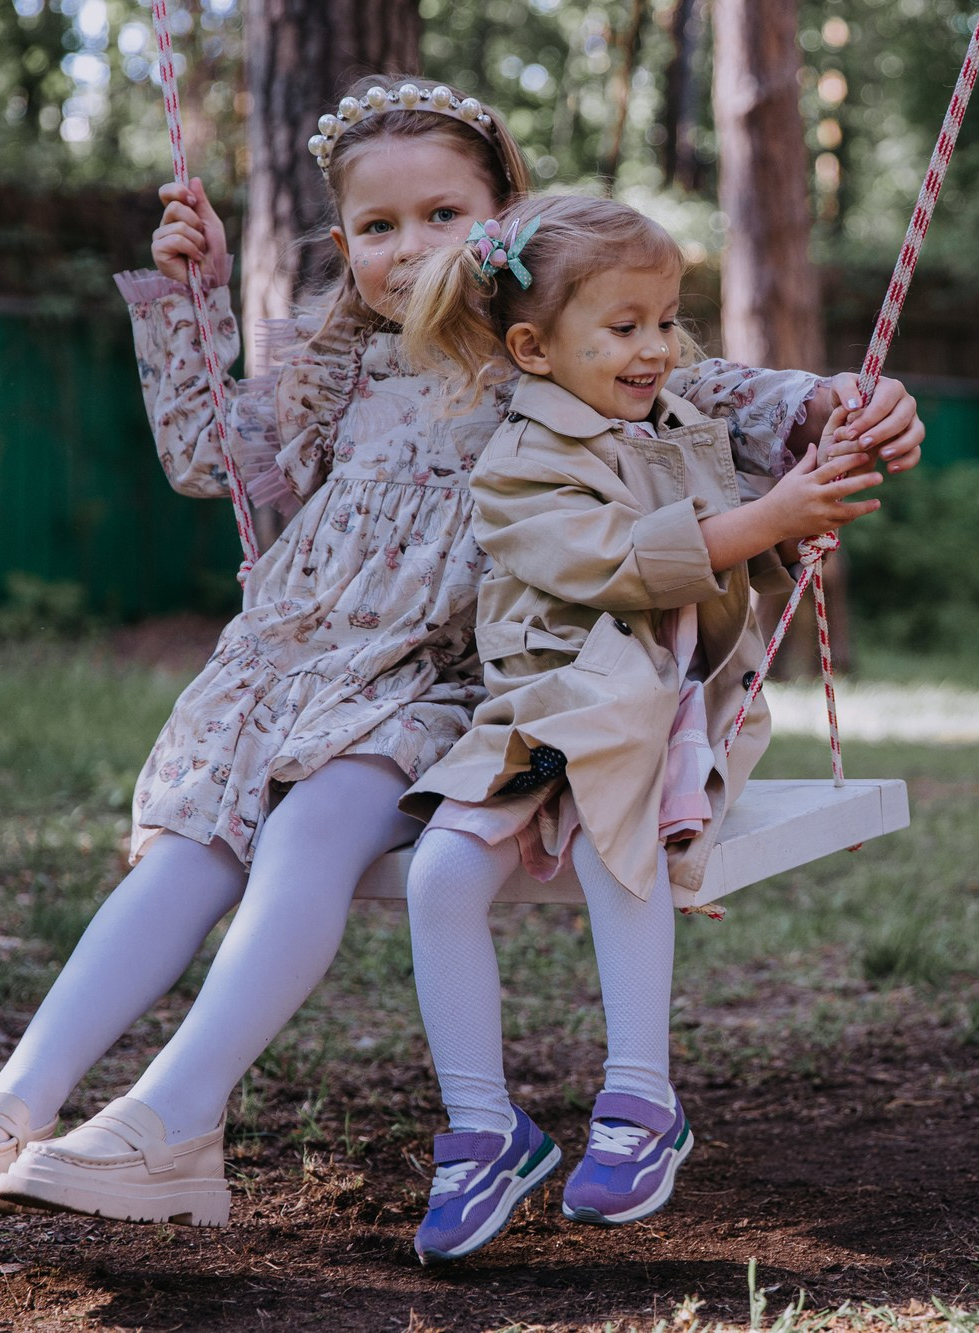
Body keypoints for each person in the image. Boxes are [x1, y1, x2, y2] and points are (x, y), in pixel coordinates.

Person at [0, 75, 925, 1226]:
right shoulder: (337, 373)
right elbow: (200, 456)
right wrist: (194, 297)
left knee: (309, 828)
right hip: (288, 676)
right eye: (378, 227)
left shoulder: (557, 350)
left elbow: (722, 388)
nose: (411, 246)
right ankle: (12, 1100)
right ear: (344, 245)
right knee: (187, 847)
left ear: (508, 223)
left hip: (453, 686)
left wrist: (837, 400)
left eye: (444, 215)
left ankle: (172, 1114)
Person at [378, 194, 883, 1265]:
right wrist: (769, 516)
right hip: (541, 714)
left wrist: (809, 498)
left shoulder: (684, 427)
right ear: (533, 346)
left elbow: (734, 565)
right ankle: (482, 1127)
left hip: (667, 716)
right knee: (437, 877)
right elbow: (614, 561)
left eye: (666, 319)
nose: (657, 347)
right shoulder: (515, 460)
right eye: (624, 326)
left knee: (625, 828)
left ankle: (640, 1098)